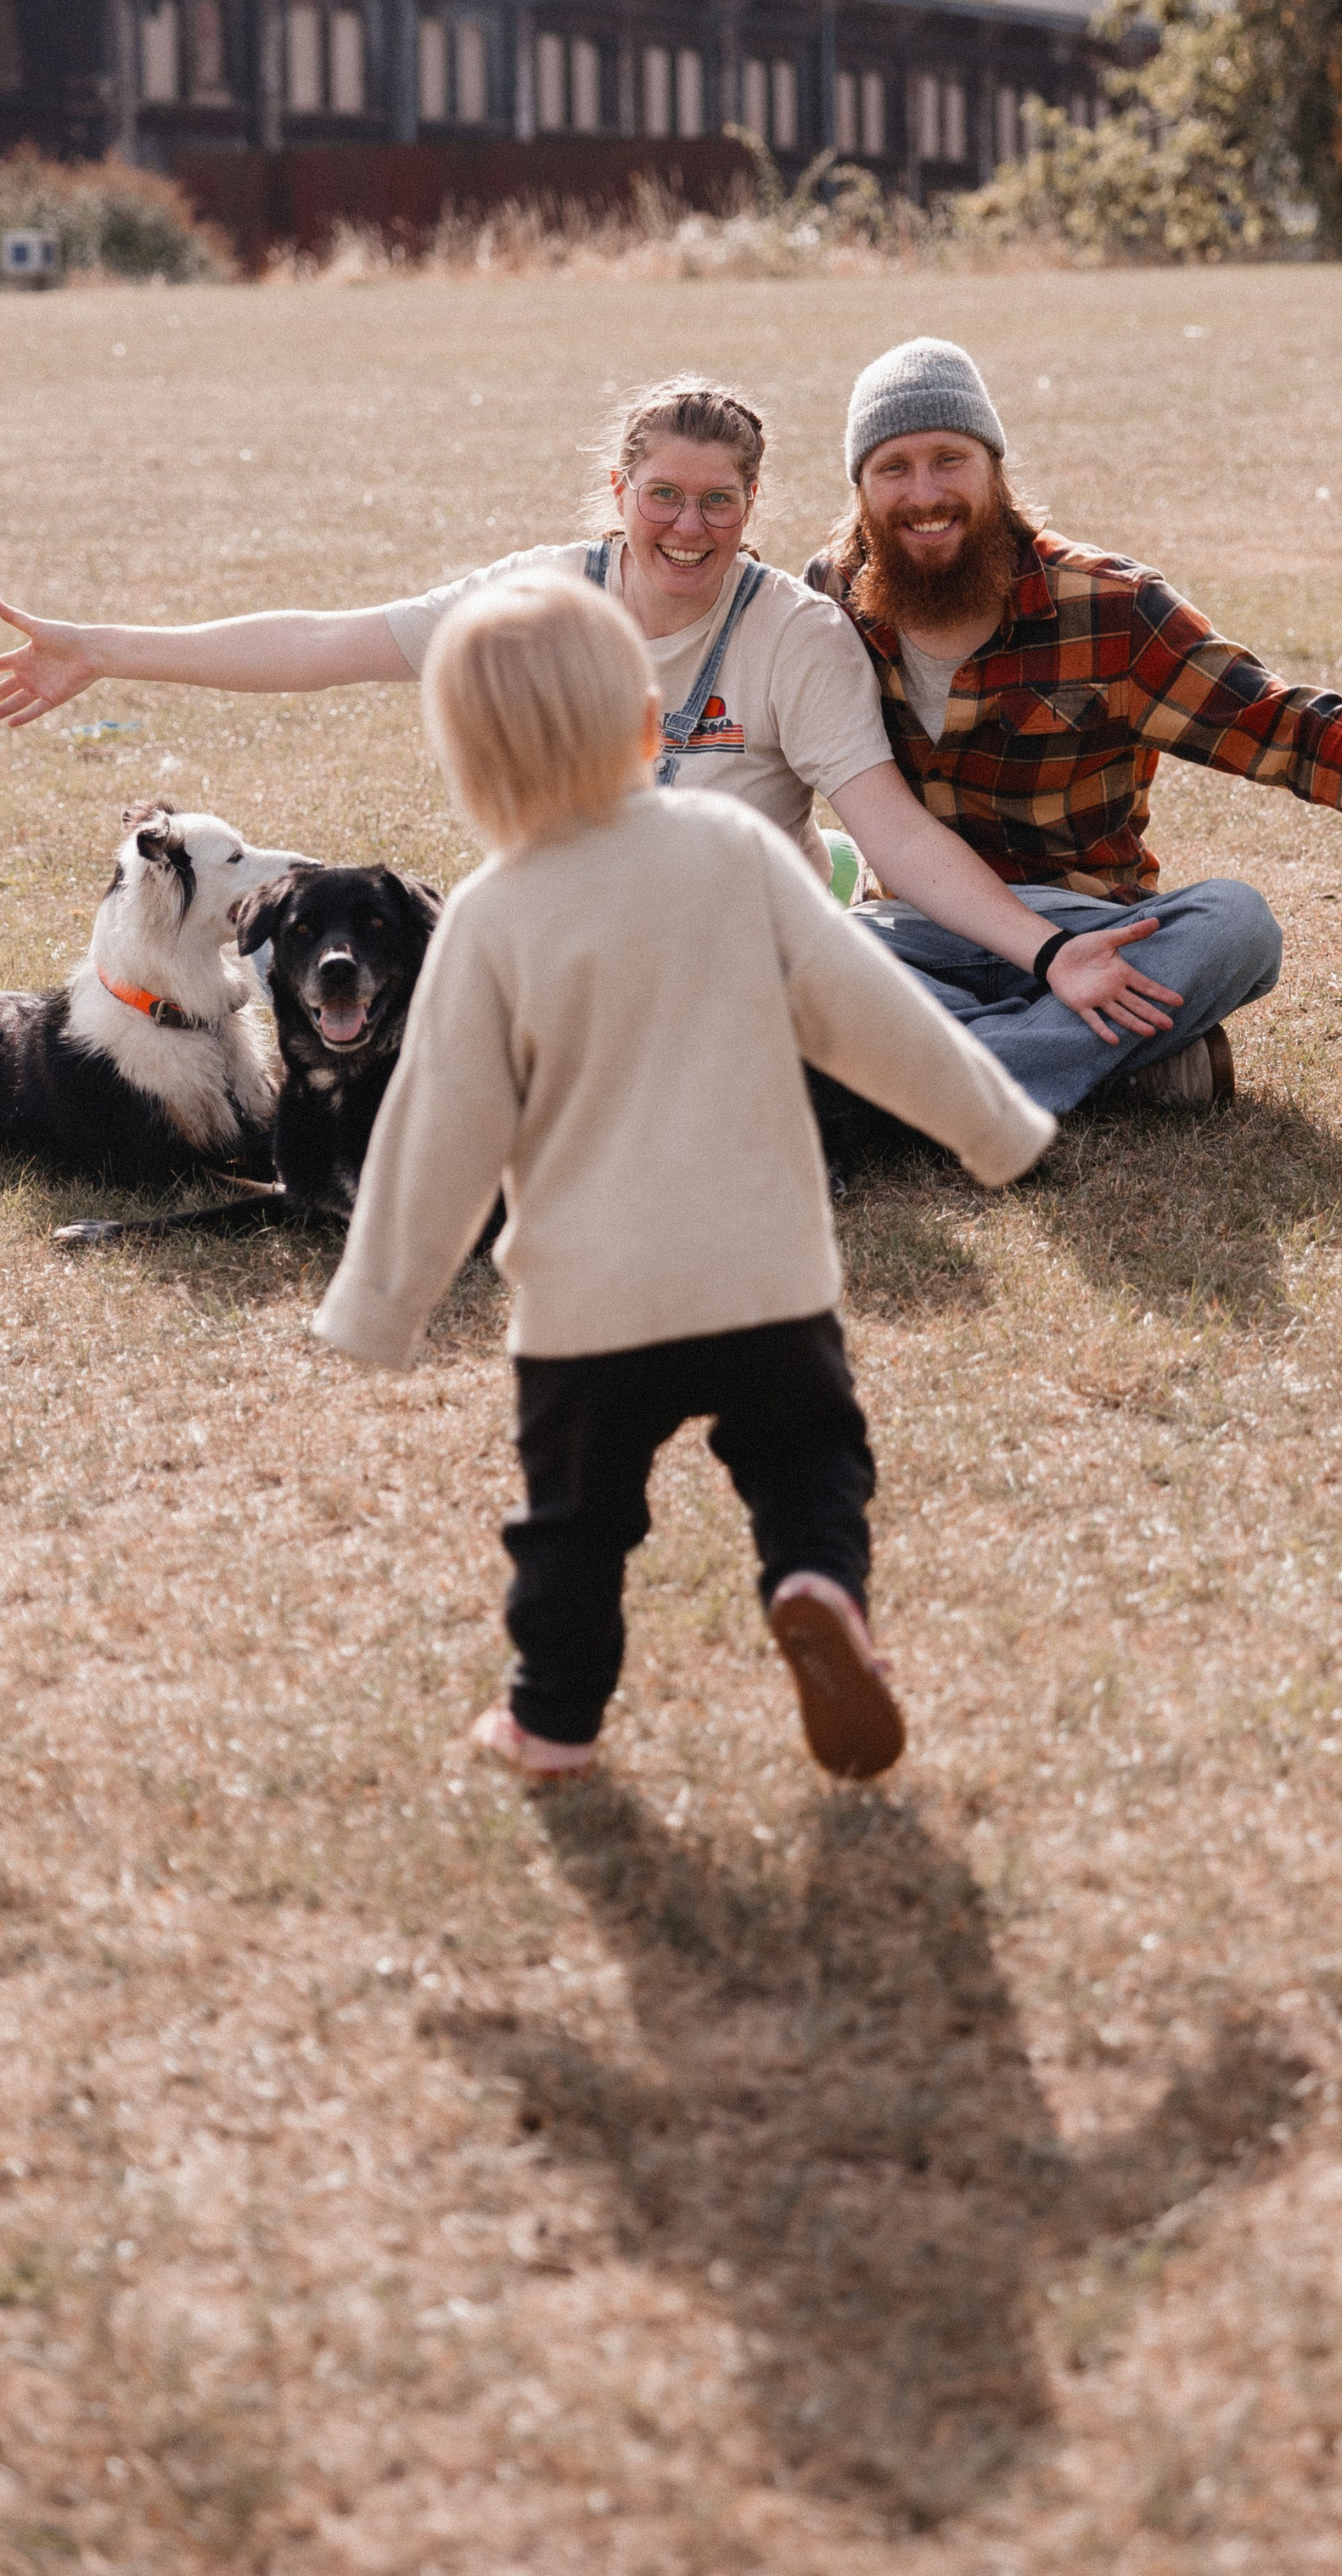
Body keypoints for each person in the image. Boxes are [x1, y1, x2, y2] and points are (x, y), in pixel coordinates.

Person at [312, 570, 1055, 1784]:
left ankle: (551, 1723)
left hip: (589, 1308)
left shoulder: (493, 917)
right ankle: (816, 1581)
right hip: (766, 1273)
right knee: (809, 1458)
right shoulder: (731, 847)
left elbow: (439, 1124)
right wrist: (994, 1127)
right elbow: (867, 1010)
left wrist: (381, 1304)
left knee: (577, 1525)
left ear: (470, 763)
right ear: (647, 721)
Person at [0, 376, 1187, 1096]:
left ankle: (951, 1053)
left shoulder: (796, 636)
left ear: (753, 506)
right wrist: (105, 648)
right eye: (665, 495)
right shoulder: (544, 597)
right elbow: (318, 645)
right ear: (620, 493)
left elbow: (893, 836)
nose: (690, 526)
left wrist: (1044, 955)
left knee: (1224, 928)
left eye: (719, 500)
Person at [806, 337, 1342, 1118]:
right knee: (784, 962)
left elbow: (1276, 722)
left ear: (994, 468)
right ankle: (1105, 1065)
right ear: (861, 489)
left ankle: (928, 1085)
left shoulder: (1112, 608)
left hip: (1092, 930)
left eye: (949, 459)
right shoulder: (828, 600)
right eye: (894, 468)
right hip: (917, 937)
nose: (925, 494)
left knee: (1237, 924)